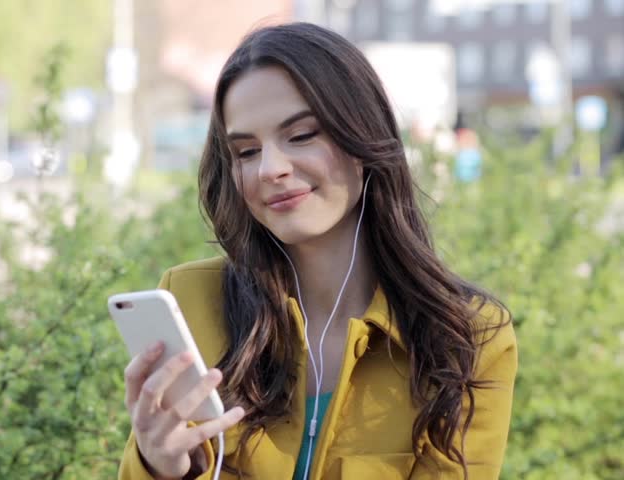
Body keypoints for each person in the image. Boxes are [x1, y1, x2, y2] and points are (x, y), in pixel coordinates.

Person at [118, 22, 517, 480]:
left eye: (302, 135)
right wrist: (158, 465)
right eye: (246, 151)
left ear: (362, 137)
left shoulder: (468, 340)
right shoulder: (190, 301)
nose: (270, 169)